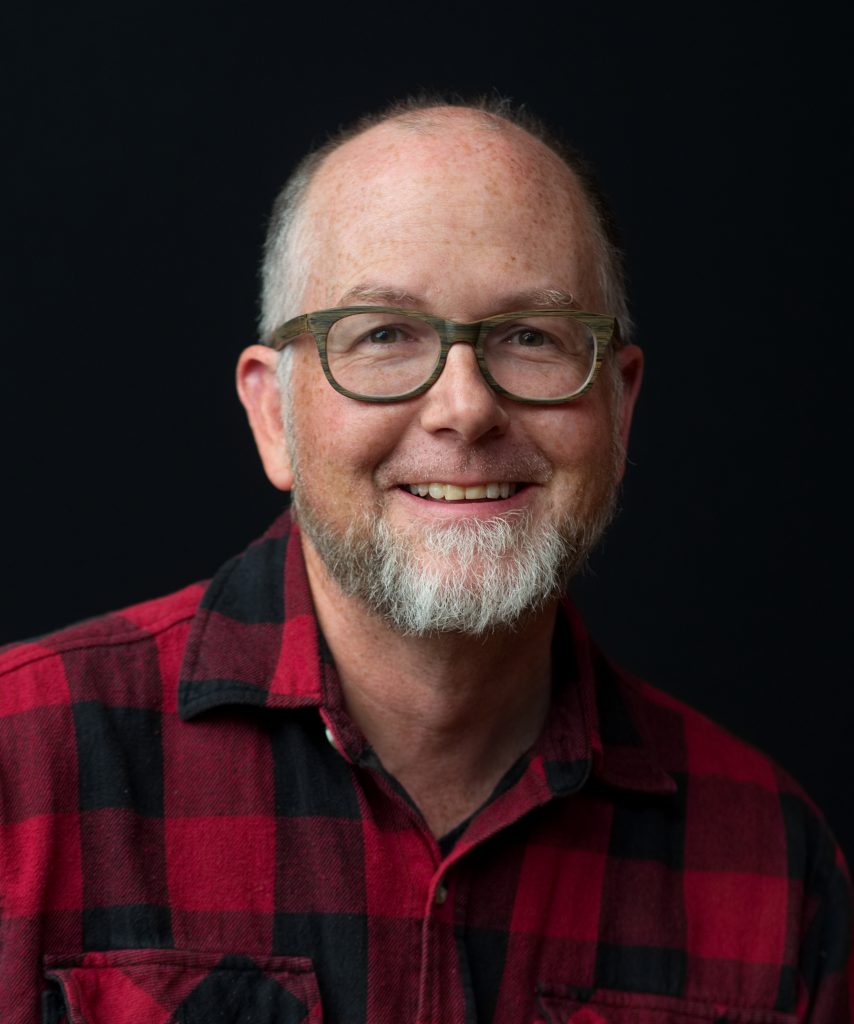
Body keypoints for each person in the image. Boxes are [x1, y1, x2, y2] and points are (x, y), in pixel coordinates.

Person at [0, 97, 850, 1024]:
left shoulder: (775, 863)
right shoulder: (23, 769)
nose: (465, 409)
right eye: (383, 335)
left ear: (620, 407)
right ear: (273, 415)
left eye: (531, 337)